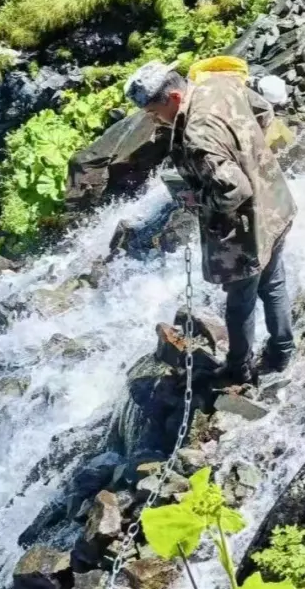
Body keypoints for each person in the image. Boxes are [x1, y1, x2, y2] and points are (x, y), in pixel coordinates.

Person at [125, 60, 296, 384]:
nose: (154, 119)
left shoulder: (197, 137)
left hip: (248, 227)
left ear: (173, 97)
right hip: (274, 198)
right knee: (274, 283)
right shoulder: (216, 81)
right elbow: (262, 110)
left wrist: (197, 200)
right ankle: (282, 351)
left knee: (240, 300)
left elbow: (236, 190)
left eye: (153, 111)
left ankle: (238, 368)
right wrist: (249, 152)